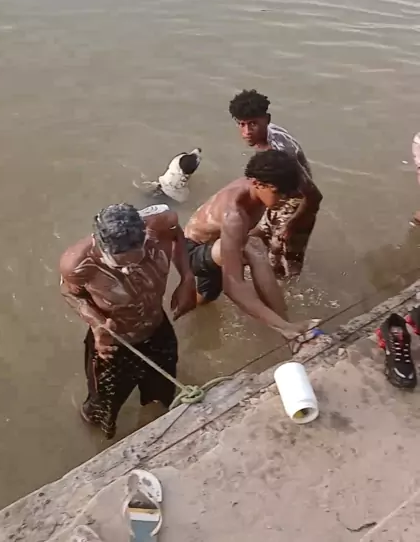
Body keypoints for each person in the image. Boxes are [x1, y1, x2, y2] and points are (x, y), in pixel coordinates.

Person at [60, 203, 196, 439]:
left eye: (137, 259)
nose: (129, 270)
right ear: (102, 248)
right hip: (115, 344)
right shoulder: (77, 264)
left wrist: (187, 278)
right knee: (101, 408)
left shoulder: (163, 223)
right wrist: (97, 324)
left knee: (162, 394)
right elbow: (70, 293)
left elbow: (178, 236)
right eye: (120, 265)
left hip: (157, 328)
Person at [184, 149, 320, 343]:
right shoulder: (235, 215)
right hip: (192, 252)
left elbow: (312, 195)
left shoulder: (262, 186)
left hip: (216, 244)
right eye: (279, 193)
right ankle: (288, 329)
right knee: (253, 247)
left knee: (206, 297)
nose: (284, 198)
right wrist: (281, 325)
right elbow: (234, 287)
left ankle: (185, 317)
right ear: (257, 184)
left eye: (287, 193)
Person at [228, 89, 322, 259]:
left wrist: (292, 225)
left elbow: (314, 196)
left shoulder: (282, 153)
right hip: (278, 195)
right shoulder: (264, 135)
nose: (247, 132)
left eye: (253, 124)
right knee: (253, 241)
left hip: (298, 204)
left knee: (284, 262)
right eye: (242, 124)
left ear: (267, 119)